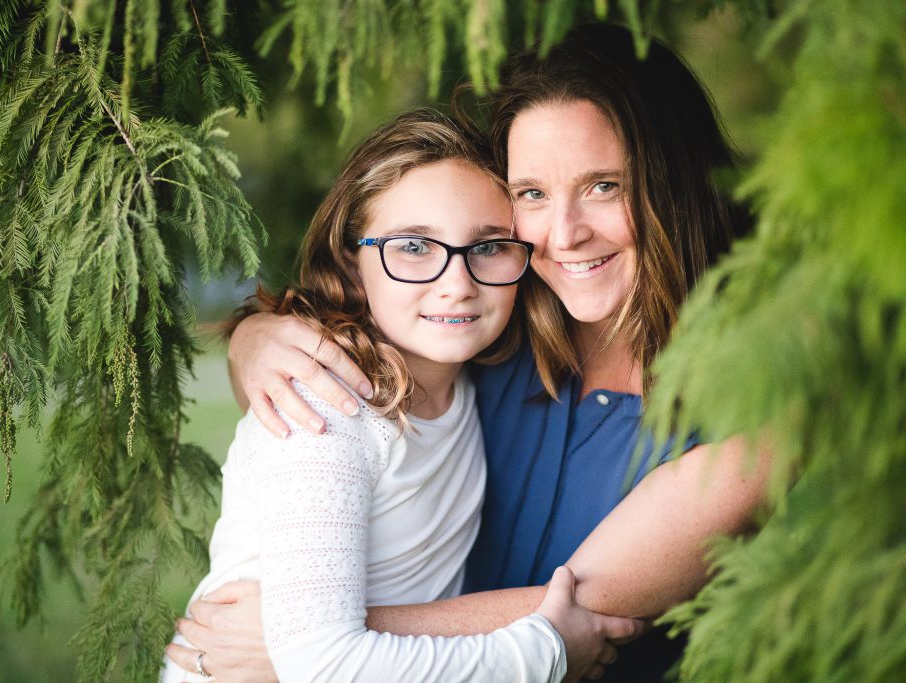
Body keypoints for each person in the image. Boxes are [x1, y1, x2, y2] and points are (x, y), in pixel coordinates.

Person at [171, 22, 772, 682]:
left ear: (675, 182)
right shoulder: (499, 329)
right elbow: (367, 336)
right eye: (532, 194)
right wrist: (257, 341)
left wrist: (302, 644)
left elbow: (592, 603)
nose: (565, 234)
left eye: (605, 185)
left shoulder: (757, 393)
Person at [161, 108, 641, 683]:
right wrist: (548, 652)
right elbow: (325, 663)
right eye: (414, 247)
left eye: (489, 247)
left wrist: (249, 332)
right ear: (351, 259)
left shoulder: (471, 380)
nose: (456, 284)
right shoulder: (328, 412)